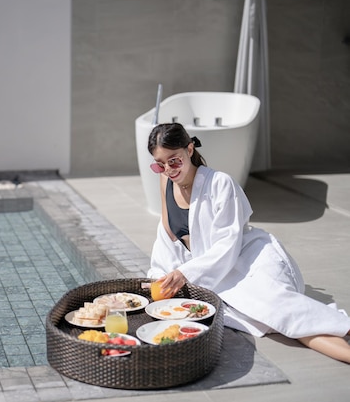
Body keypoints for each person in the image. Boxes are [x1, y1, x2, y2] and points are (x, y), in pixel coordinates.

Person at [145, 122, 350, 363]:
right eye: (160, 164)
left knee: (278, 310)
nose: (169, 169)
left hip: (248, 259)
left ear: (189, 150)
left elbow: (227, 244)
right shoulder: (166, 182)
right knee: (271, 317)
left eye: (175, 160)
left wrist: (184, 273)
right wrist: (161, 276)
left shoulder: (220, 184)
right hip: (210, 270)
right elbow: (167, 233)